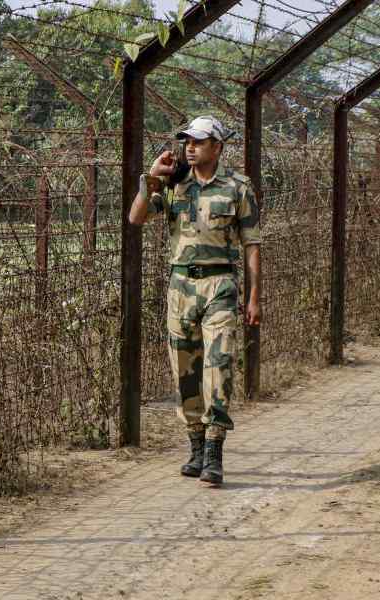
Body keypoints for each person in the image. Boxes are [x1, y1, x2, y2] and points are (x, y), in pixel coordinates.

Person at [128, 115, 261, 486]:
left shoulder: (237, 187)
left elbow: (252, 243)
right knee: (184, 369)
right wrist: (152, 177)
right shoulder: (172, 185)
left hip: (220, 282)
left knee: (219, 365)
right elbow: (136, 217)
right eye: (187, 140)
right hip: (180, 286)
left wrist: (254, 297)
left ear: (217, 147)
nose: (190, 146)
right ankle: (196, 447)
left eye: (199, 141)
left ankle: (215, 450)